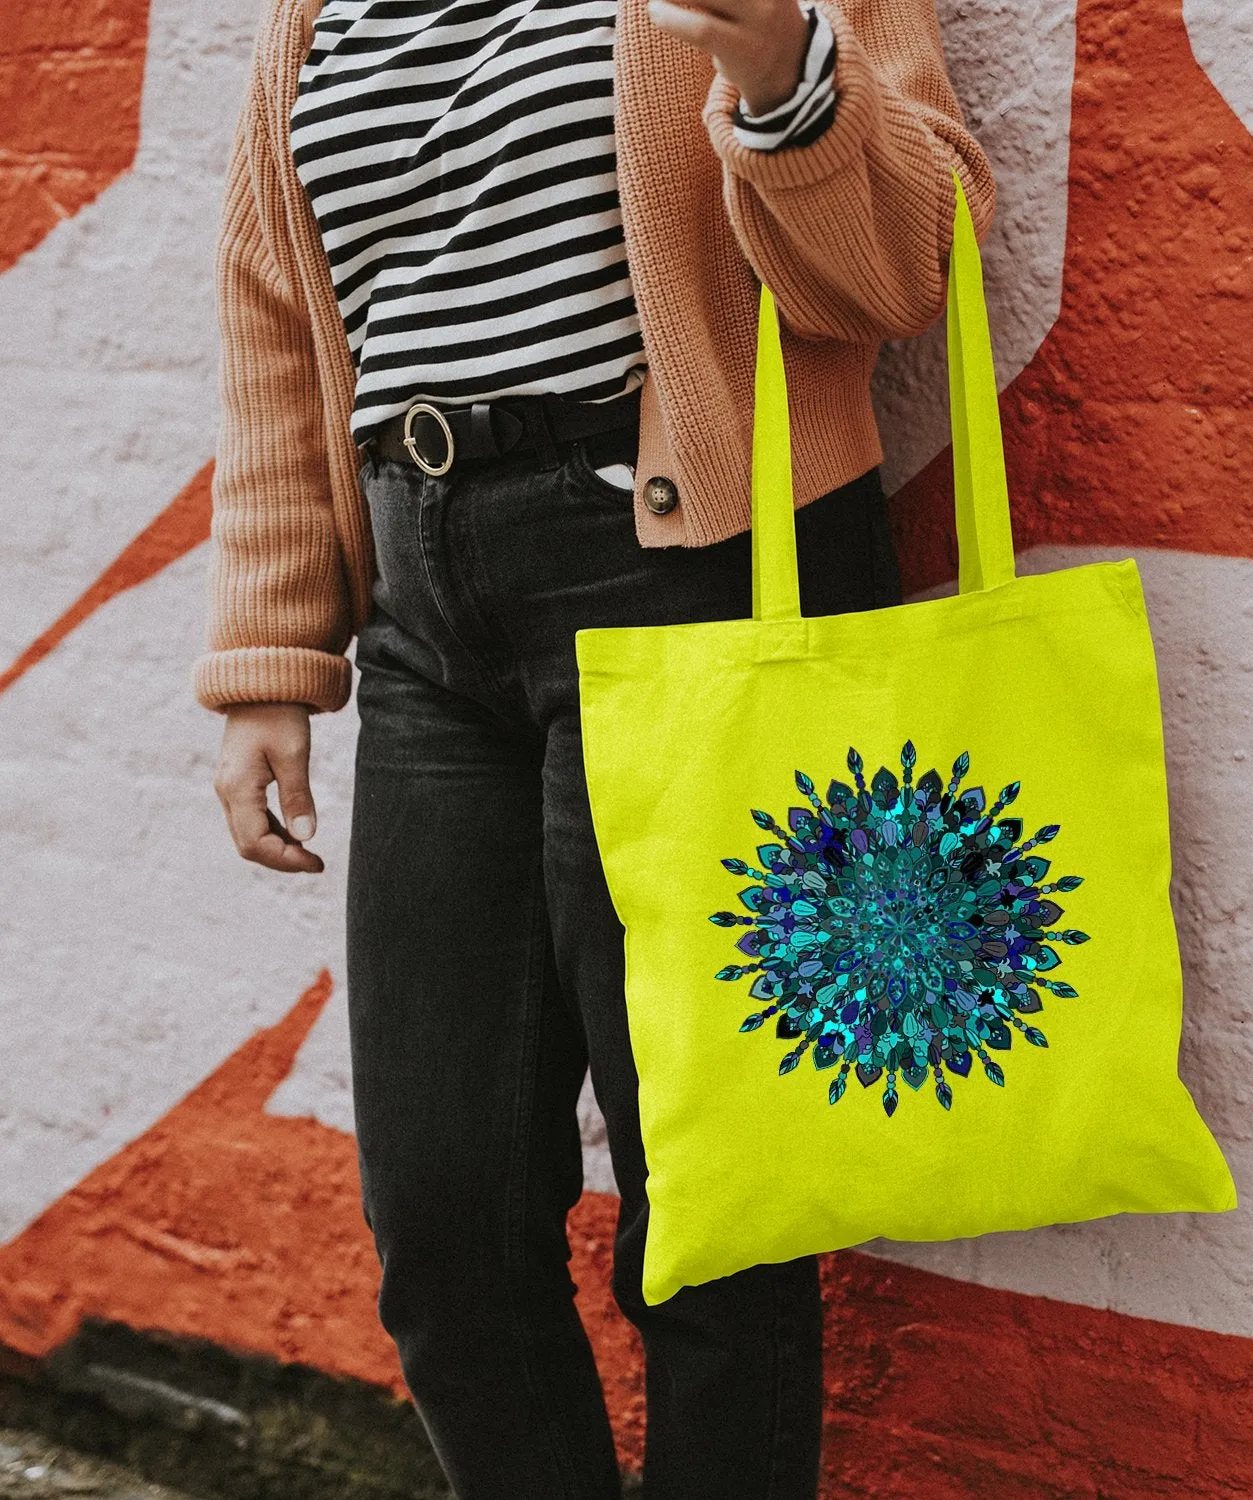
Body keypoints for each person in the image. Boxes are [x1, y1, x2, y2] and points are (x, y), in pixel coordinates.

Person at [196, 0, 995, 1493]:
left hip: (692, 576)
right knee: (444, 1231)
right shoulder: (311, 12)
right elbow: (273, 314)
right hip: (426, 614)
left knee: (708, 1215)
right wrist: (268, 652)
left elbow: (908, 266)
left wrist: (781, 72)